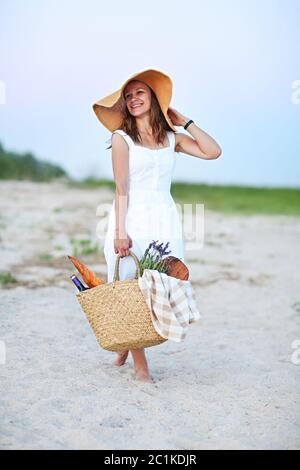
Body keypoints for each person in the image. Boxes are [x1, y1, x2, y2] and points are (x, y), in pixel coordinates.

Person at [92, 68, 222, 382]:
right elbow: (121, 188)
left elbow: (212, 151)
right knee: (132, 283)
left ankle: (127, 340)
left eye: (140, 93)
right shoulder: (121, 139)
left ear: (152, 97)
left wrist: (185, 122)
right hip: (132, 215)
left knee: (161, 284)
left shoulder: (171, 138)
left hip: (164, 216)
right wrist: (121, 232)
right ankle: (141, 365)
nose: (134, 99)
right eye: (128, 95)